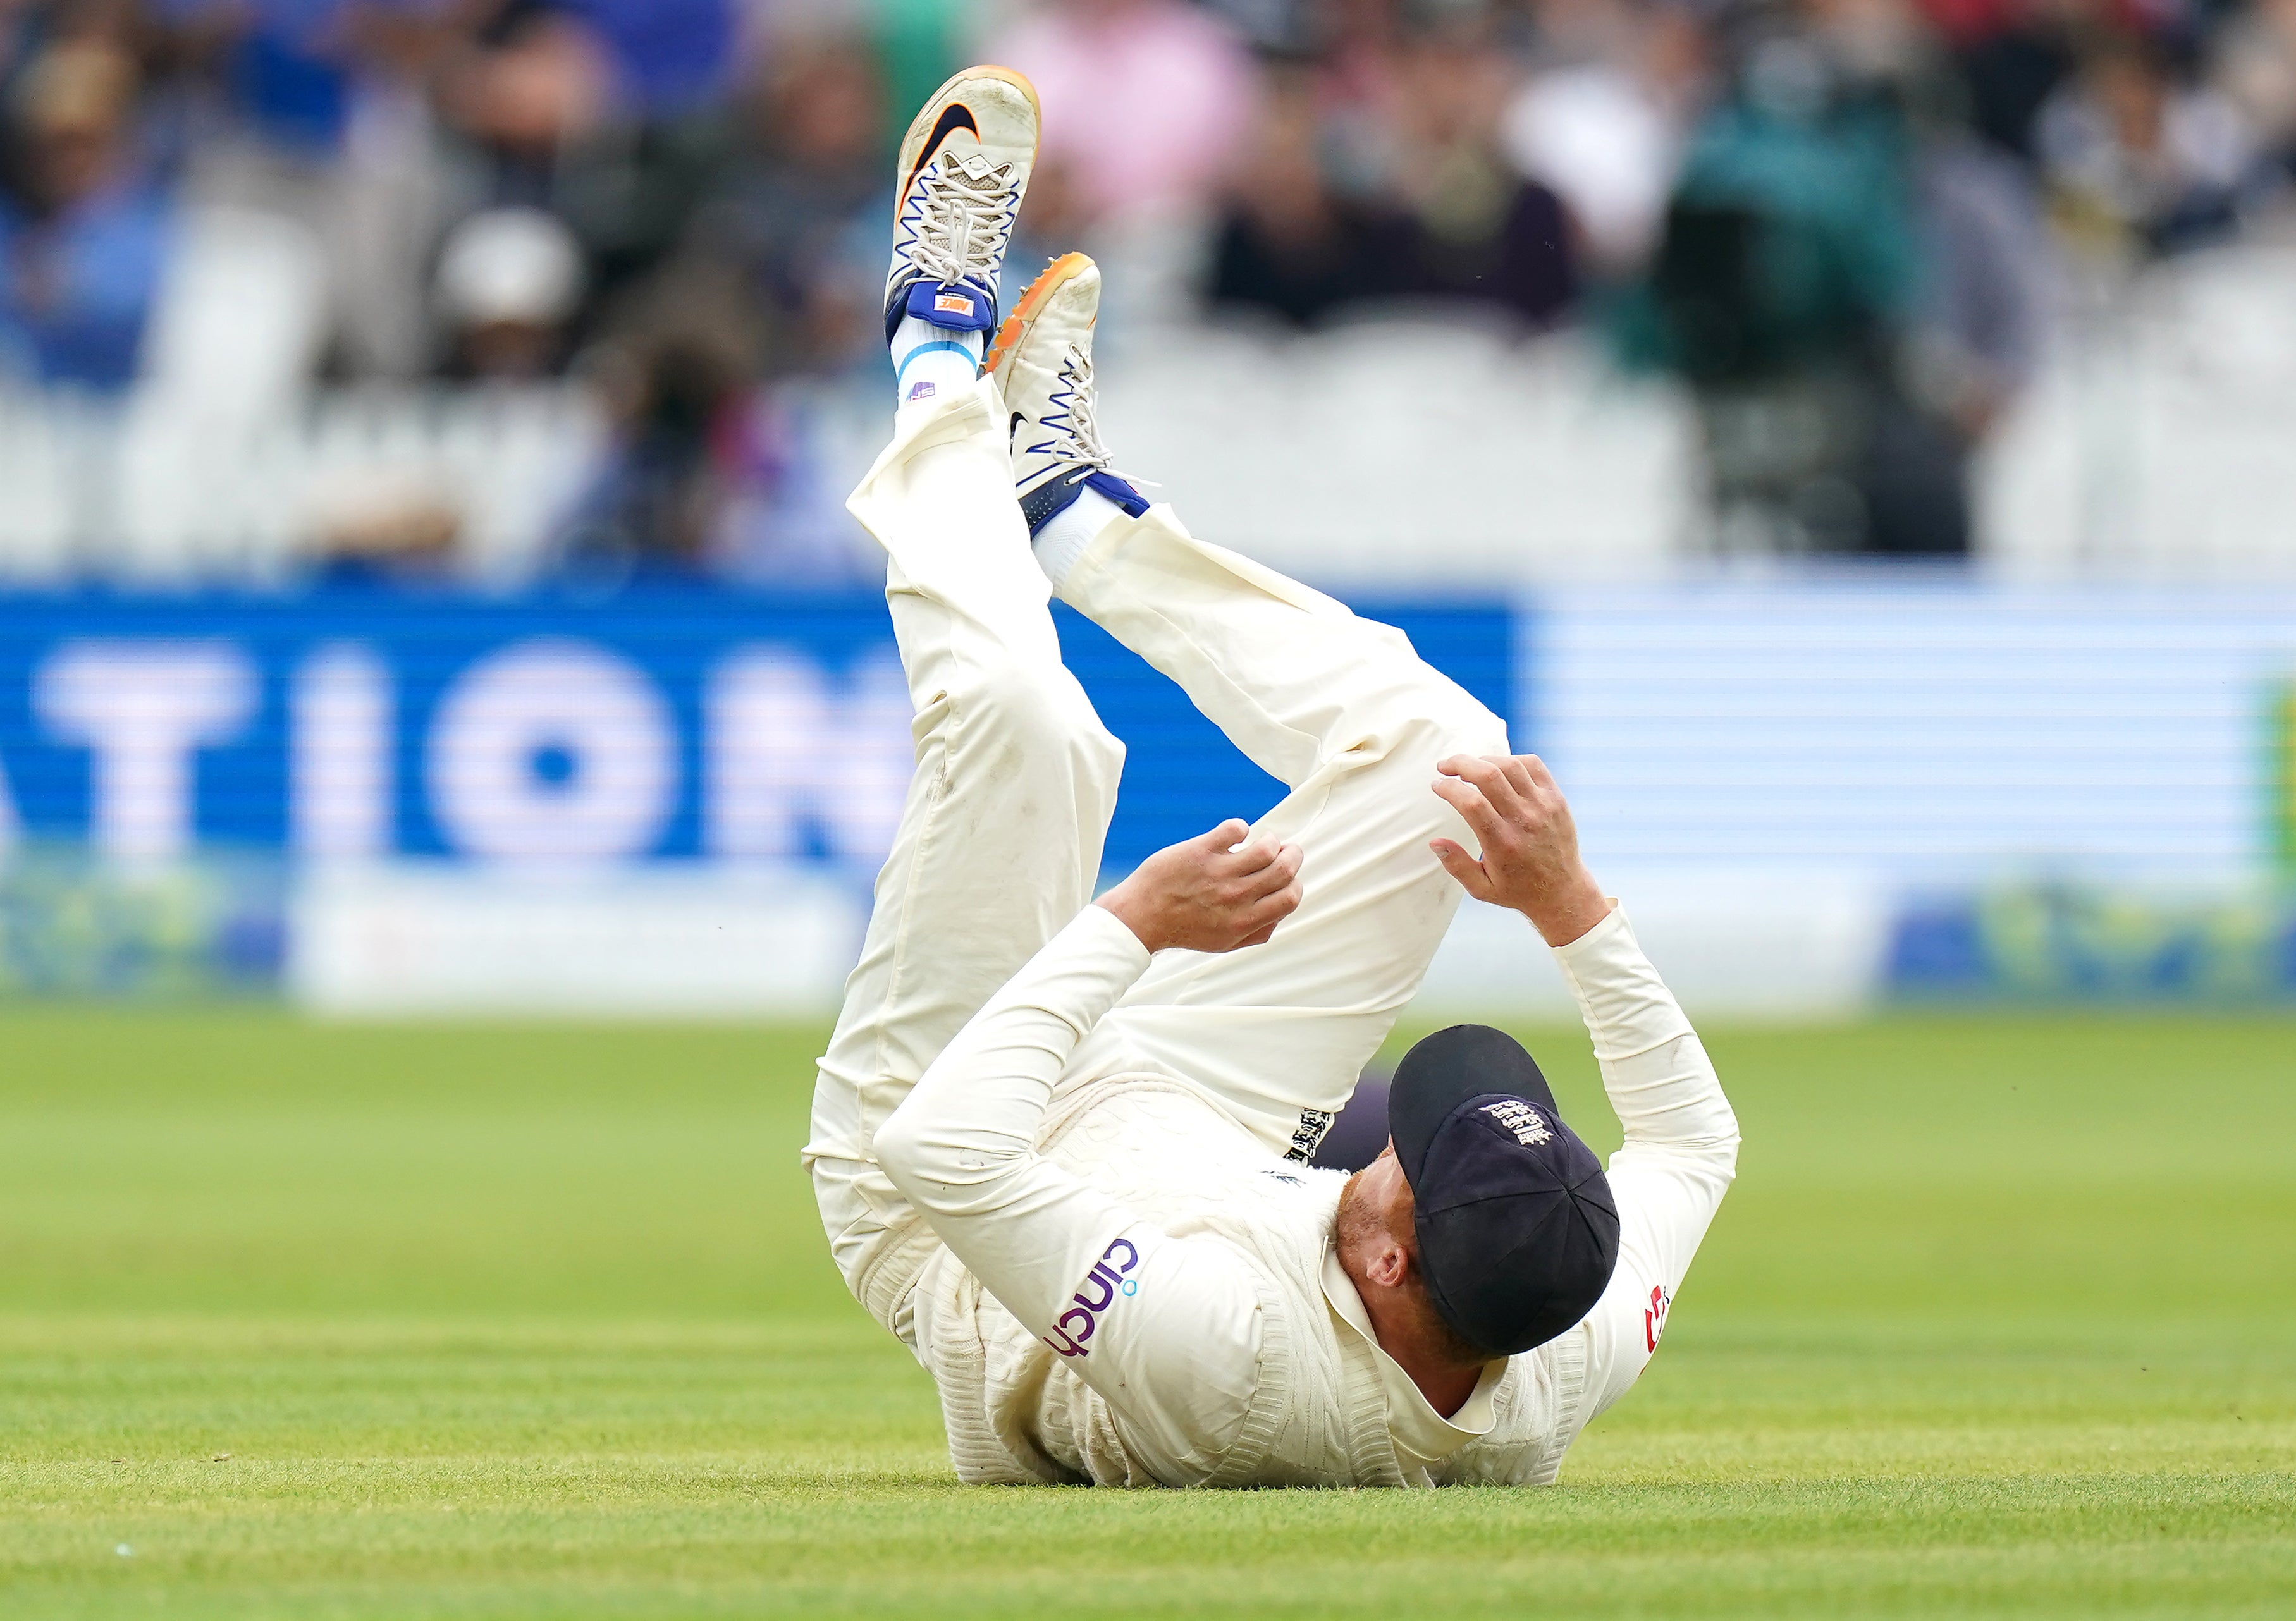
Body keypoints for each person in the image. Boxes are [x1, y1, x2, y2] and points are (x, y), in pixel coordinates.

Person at [802, 66, 1741, 1489]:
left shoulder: (1231, 1364)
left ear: (1381, 1249)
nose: (1394, 1132)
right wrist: (1571, 908)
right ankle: (1070, 511)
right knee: (1455, 763)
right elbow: (1694, 1139)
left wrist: (1129, 926)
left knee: (1030, 730)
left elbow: (948, 1152)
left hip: (949, 1166)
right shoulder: (1559, 1318)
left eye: (1405, 1159)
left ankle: (932, 341)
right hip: (1198, 1123)